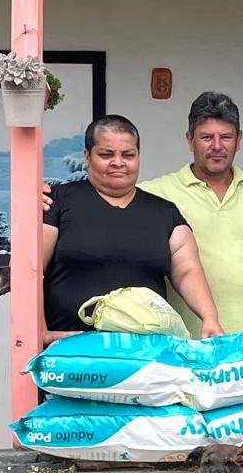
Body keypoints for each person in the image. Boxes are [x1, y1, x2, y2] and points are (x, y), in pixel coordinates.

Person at [42, 116, 223, 342]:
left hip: (147, 358)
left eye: (128, 155)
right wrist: (40, 331)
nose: (118, 162)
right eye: (106, 154)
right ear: (87, 157)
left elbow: (187, 270)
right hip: (69, 355)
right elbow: (30, 271)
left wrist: (209, 317)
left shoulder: (164, 212)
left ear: (138, 157)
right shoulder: (55, 202)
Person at [136, 93, 243, 336]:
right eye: (206, 137)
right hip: (183, 347)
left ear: (239, 140)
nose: (217, 146)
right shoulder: (159, 192)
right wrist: (50, 195)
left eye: (226, 137)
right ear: (190, 140)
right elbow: (108, 201)